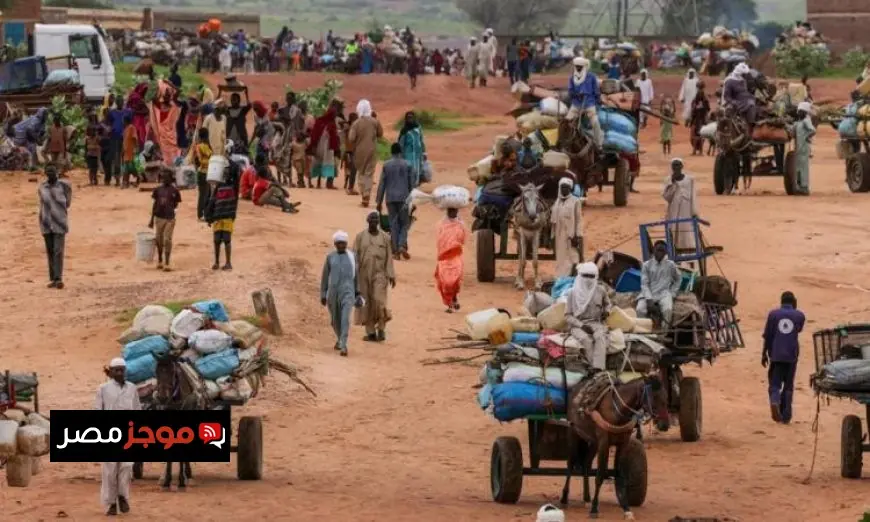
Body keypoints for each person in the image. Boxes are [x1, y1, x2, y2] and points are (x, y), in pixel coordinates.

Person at [96, 358, 141, 516]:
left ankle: (122, 496)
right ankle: (110, 504)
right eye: (117, 370)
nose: (120, 373)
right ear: (111, 372)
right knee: (110, 471)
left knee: (126, 468)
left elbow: (137, 409)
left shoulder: (132, 388)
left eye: (122, 370)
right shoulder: (103, 389)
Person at [762, 291, 805, 424]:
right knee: (788, 386)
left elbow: (768, 336)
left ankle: (775, 401)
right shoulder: (800, 315)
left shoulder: (773, 314)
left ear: (781, 302)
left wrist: (764, 353)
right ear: (794, 302)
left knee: (774, 384)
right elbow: (798, 330)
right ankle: (786, 415)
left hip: (776, 354)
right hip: (792, 355)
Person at [354, 212, 396, 342]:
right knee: (367, 303)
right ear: (367, 220)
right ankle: (371, 332)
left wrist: (391, 275)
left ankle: (381, 328)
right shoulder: (360, 237)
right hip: (363, 274)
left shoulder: (385, 238)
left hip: (380, 273)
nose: (374, 221)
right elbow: (355, 257)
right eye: (371, 219)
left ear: (378, 222)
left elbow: (389, 257)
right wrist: (353, 275)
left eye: (376, 219)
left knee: (379, 301)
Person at [320, 231, 362, 356]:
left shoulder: (352, 256)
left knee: (345, 319)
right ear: (335, 244)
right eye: (339, 243)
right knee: (334, 320)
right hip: (333, 293)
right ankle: (339, 339)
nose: (341, 246)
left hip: (348, 292)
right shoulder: (330, 257)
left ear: (346, 243)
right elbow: (325, 277)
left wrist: (357, 292)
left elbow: (356, 276)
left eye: (343, 243)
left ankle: (344, 345)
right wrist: (323, 294)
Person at [565, 262, 611, 370]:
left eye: (592, 276)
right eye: (586, 276)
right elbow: (567, 316)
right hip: (578, 326)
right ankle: (592, 368)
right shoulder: (572, 293)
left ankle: (599, 369)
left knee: (600, 338)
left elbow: (608, 304)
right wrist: (581, 326)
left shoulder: (600, 290)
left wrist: (607, 312)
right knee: (587, 340)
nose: (589, 279)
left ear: (596, 277)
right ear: (580, 276)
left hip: (596, 323)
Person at [376, 143, 414, 260]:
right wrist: (412, 201)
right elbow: (411, 184)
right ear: (400, 152)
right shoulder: (408, 165)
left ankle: (395, 252)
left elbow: (382, 184)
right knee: (405, 223)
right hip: (404, 198)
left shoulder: (386, 165)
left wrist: (379, 201)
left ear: (391, 152)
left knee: (394, 224)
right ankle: (402, 244)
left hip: (390, 198)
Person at [38, 164, 71, 289]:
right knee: (50, 251)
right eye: (48, 171)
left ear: (57, 172)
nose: (51, 173)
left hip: (59, 222)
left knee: (58, 251)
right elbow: (42, 203)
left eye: (53, 171)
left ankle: (58, 278)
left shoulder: (65, 186)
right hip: (46, 222)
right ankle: (53, 278)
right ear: (46, 173)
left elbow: (68, 202)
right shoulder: (42, 187)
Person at [205, 158, 241, 271]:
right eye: (224, 172)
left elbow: (236, 174)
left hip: (227, 216)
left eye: (227, 172)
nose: (225, 174)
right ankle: (216, 262)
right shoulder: (218, 187)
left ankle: (228, 262)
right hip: (218, 216)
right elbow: (212, 202)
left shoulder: (233, 187)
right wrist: (208, 216)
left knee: (226, 240)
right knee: (216, 240)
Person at [636, 241, 681, 327]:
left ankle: (663, 335)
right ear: (653, 250)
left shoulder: (670, 265)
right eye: (658, 250)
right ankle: (644, 334)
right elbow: (644, 284)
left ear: (666, 252)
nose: (660, 252)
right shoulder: (646, 265)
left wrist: (672, 293)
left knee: (667, 310)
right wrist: (649, 299)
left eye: (662, 250)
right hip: (649, 292)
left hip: (664, 294)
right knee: (640, 310)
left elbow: (678, 279)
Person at [348, 99, 384, 207]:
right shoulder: (375, 121)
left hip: (359, 152)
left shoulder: (356, 123)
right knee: (369, 173)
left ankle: (364, 194)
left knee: (361, 173)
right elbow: (380, 134)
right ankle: (366, 195)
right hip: (372, 151)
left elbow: (351, 138)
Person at [435, 207, 467, 313]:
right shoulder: (441, 224)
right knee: (444, 282)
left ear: (457, 211)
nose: (452, 212)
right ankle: (449, 304)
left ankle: (454, 298)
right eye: (450, 211)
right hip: (444, 257)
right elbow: (439, 240)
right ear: (447, 211)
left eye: (454, 210)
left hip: (455, 256)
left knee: (455, 281)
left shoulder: (460, 224)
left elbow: (462, 239)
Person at [566, 57, 603, 150]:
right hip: (576, 105)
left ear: (584, 67)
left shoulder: (592, 77)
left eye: (580, 67)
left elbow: (596, 91)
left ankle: (599, 144)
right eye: (576, 67)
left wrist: (598, 100)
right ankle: (565, 143)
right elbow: (570, 92)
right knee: (566, 122)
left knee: (595, 123)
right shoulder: (572, 78)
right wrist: (577, 94)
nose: (578, 68)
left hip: (589, 104)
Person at [149, 171, 182, 271]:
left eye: (167, 178)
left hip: (169, 218)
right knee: (159, 239)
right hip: (159, 217)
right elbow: (154, 204)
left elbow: (176, 204)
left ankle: (167, 263)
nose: (165, 180)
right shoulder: (157, 190)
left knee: (167, 239)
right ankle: (160, 260)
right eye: (164, 178)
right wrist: (151, 219)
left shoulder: (175, 191)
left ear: (171, 179)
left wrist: (172, 212)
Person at [662, 159, 698, 251]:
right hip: (673, 210)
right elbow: (667, 197)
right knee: (674, 231)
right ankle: (675, 251)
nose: (676, 167)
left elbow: (693, 196)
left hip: (686, 209)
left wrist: (694, 212)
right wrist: (672, 183)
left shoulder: (690, 179)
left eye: (678, 165)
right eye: (674, 165)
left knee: (687, 232)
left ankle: (689, 251)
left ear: (682, 166)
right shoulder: (668, 180)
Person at [550, 177, 582, 278]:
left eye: (567, 187)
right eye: (563, 187)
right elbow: (553, 221)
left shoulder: (575, 201)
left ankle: (572, 277)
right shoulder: (557, 201)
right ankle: (561, 278)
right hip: (559, 234)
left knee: (572, 257)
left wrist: (577, 235)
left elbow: (579, 219)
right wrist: (552, 235)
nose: (564, 189)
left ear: (570, 188)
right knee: (561, 257)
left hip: (570, 234)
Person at [308, 100, 341, 189]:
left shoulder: (319, 121)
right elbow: (334, 138)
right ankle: (329, 184)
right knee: (330, 163)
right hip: (328, 148)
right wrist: (337, 149)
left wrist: (313, 146)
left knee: (319, 162)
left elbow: (313, 135)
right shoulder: (332, 124)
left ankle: (318, 183)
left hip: (318, 147)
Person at [722, 62, 756, 126]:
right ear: (739, 74)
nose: (745, 76)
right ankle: (750, 124)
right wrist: (734, 102)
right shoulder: (729, 82)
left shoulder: (742, 81)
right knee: (751, 104)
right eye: (744, 74)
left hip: (745, 100)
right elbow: (726, 97)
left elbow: (745, 91)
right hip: (737, 102)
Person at [398, 111, 426, 187]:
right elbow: (401, 144)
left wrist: (424, 153)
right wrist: (400, 156)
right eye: (408, 118)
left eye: (411, 117)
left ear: (414, 118)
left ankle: (415, 187)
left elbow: (421, 140)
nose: (410, 119)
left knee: (418, 172)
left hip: (418, 155)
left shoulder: (418, 128)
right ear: (406, 119)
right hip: (408, 155)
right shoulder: (404, 131)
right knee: (409, 173)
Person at [793, 101, 815, 195]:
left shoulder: (806, 121)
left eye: (801, 111)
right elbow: (792, 131)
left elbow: (813, 130)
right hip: (798, 148)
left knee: (804, 167)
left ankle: (805, 187)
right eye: (799, 111)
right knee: (798, 167)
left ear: (805, 112)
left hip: (804, 147)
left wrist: (807, 137)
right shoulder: (798, 123)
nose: (799, 113)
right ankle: (799, 186)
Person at [193, 127, 213, 220]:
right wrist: (210, 161)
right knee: (203, 195)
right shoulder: (200, 146)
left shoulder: (206, 145)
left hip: (207, 172)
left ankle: (205, 213)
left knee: (207, 194)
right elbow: (201, 160)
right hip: (203, 172)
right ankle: (200, 215)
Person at [689, 82, 710, 156]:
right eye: (699, 88)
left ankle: (697, 151)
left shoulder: (701, 97)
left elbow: (707, 108)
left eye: (700, 88)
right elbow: (708, 108)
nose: (699, 89)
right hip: (700, 119)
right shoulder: (701, 97)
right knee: (698, 135)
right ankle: (697, 151)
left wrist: (699, 107)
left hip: (700, 118)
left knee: (697, 135)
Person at [121, 114, 139, 188]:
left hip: (131, 151)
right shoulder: (125, 129)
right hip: (126, 151)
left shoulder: (131, 127)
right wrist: (122, 151)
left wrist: (135, 148)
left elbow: (134, 138)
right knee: (126, 168)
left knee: (131, 168)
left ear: (126, 121)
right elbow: (124, 141)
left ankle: (137, 178)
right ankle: (126, 182)